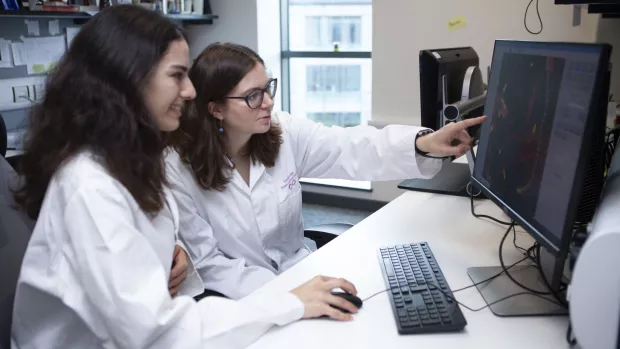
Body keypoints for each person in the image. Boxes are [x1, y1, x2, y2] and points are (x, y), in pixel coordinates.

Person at [10, 6, 360, 349]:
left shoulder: (130, 159)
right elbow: (156, 333)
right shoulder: (90, 185)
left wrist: (172, 255)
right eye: (177, 75)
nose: (191, 90)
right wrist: (288, 303)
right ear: (130, 79)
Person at [165, 42, 488, 299]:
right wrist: (287, 294)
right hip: (242, 300)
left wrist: (423, 143)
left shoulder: (282, 132)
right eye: (253, 96)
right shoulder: (180, 167)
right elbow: (209, 264)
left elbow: (348, 146)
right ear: (216, 108)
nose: (267, 103)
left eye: (268, 88)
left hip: (301, 272)